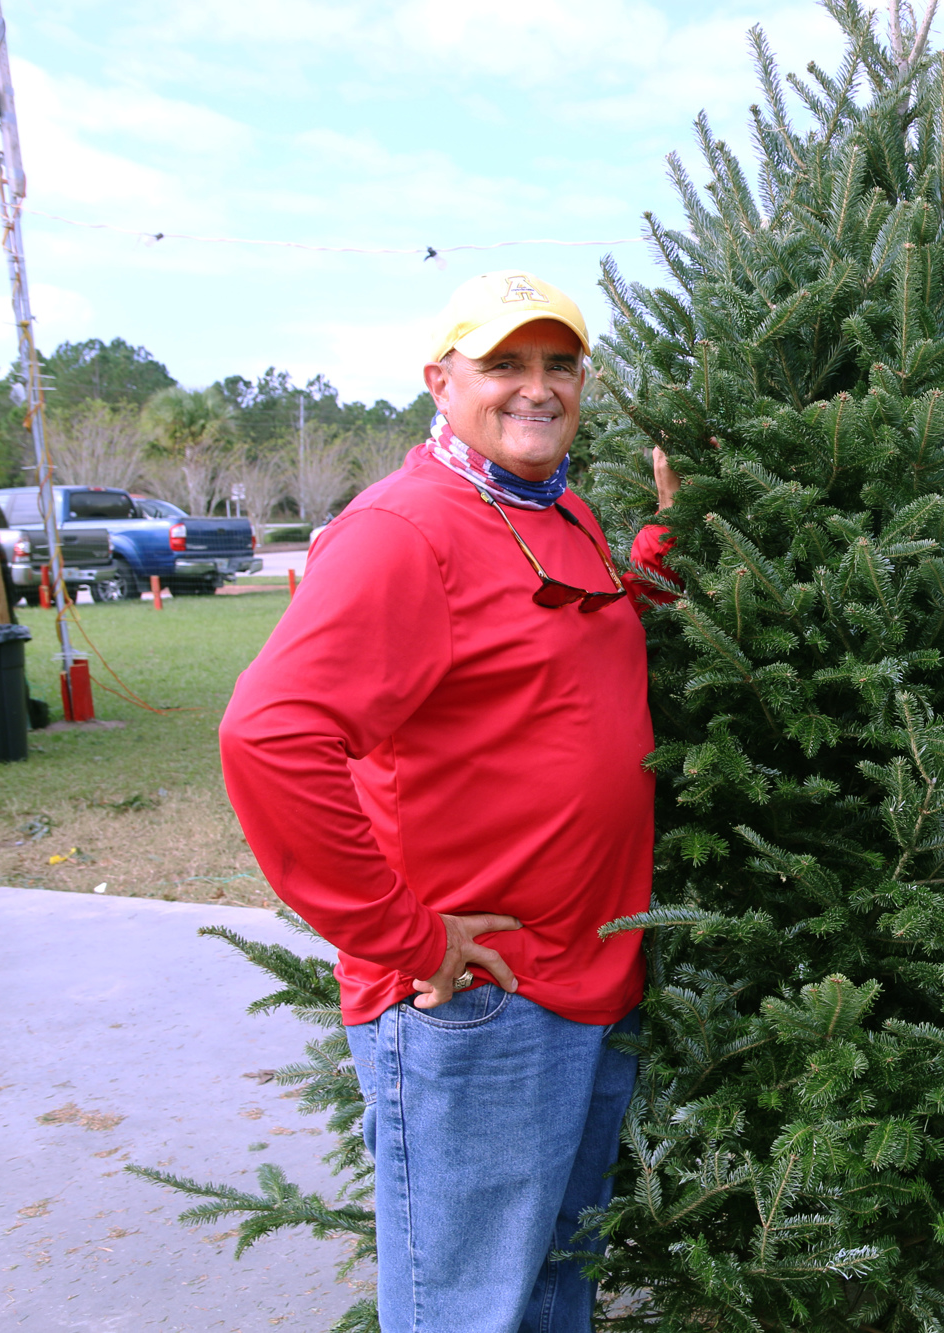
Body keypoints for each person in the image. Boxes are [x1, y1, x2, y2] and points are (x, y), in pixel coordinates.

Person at [221, 270, 678, 1333]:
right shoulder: (404, 529)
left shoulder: (555, 506)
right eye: (503, 364)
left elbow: (572, 648)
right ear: (441, 380)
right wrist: (403, 935)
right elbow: (270, 735)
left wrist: (662, 553)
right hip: (482, 998)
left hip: (589, 978)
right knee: (469, 1309)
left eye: (557, 363)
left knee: (552, 1290)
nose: (536, 387)